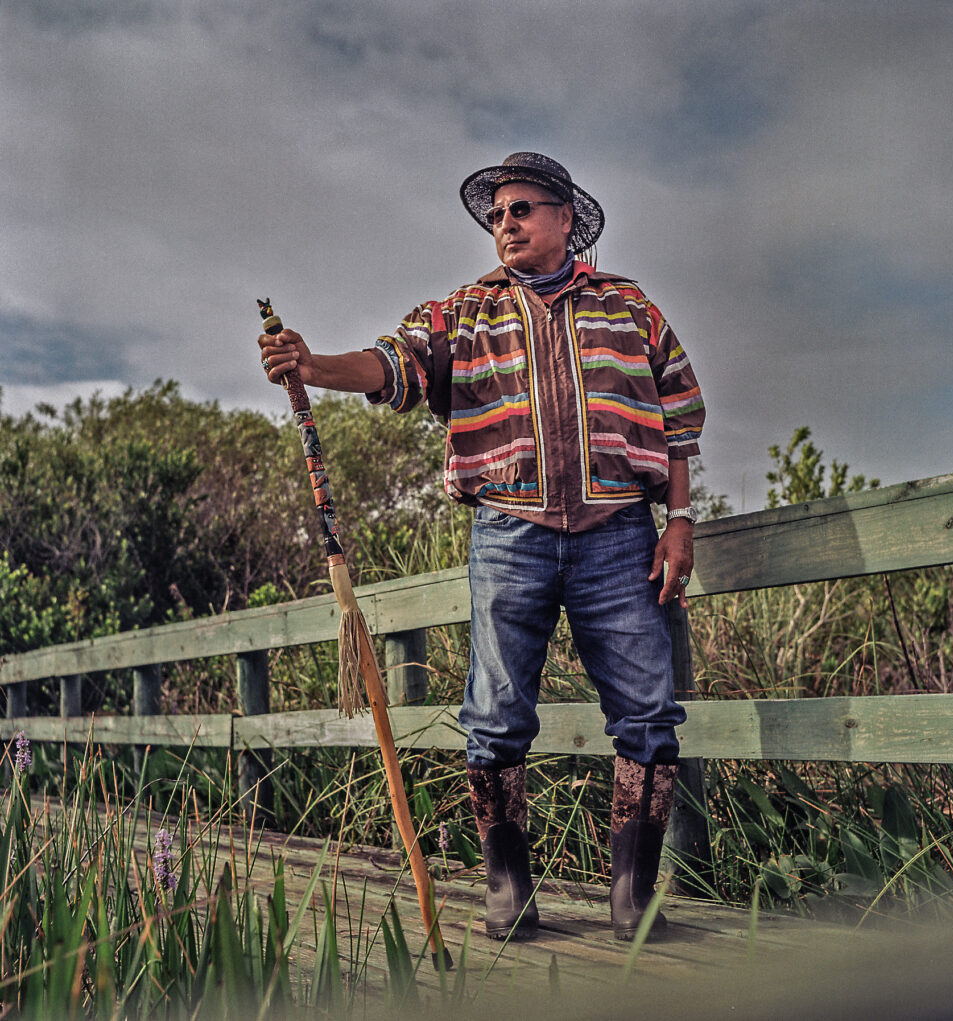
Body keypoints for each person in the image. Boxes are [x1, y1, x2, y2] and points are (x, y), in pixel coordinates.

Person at [259, 153, 706, 942]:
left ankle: (633, 896)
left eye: (523, 209)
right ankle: (509, 889)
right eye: (497, 214)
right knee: (495, 714)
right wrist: (310, 364)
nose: (506, 223)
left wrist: (679, 520)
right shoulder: (463, 314)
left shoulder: (629, 308)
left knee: (646, 710)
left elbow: (677, 416)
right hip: (510, 531)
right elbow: (390, 365)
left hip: (619, 532)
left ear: (567, 218)